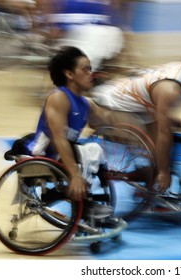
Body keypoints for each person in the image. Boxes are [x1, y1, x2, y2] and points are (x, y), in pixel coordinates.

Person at [91, 49, 181, 192]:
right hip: (113, 104)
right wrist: (163, 171)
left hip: (143, 106)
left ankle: (151, 178)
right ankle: (150, 178)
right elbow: (163, 133)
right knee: (157, 145)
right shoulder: (170, 89)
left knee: (164, 143)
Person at [22, 46, 113, 203]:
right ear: (69, 74)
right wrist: (75, 176)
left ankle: (84, 194)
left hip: (66, 153)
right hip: (44, 153)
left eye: (90, 69)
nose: (91, 74)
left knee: (94, 150)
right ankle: (79, 194)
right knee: (84, 152)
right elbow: (59, 139)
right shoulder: (59, 98)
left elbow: (110, 123)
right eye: (85, 70)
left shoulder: (86, 104)